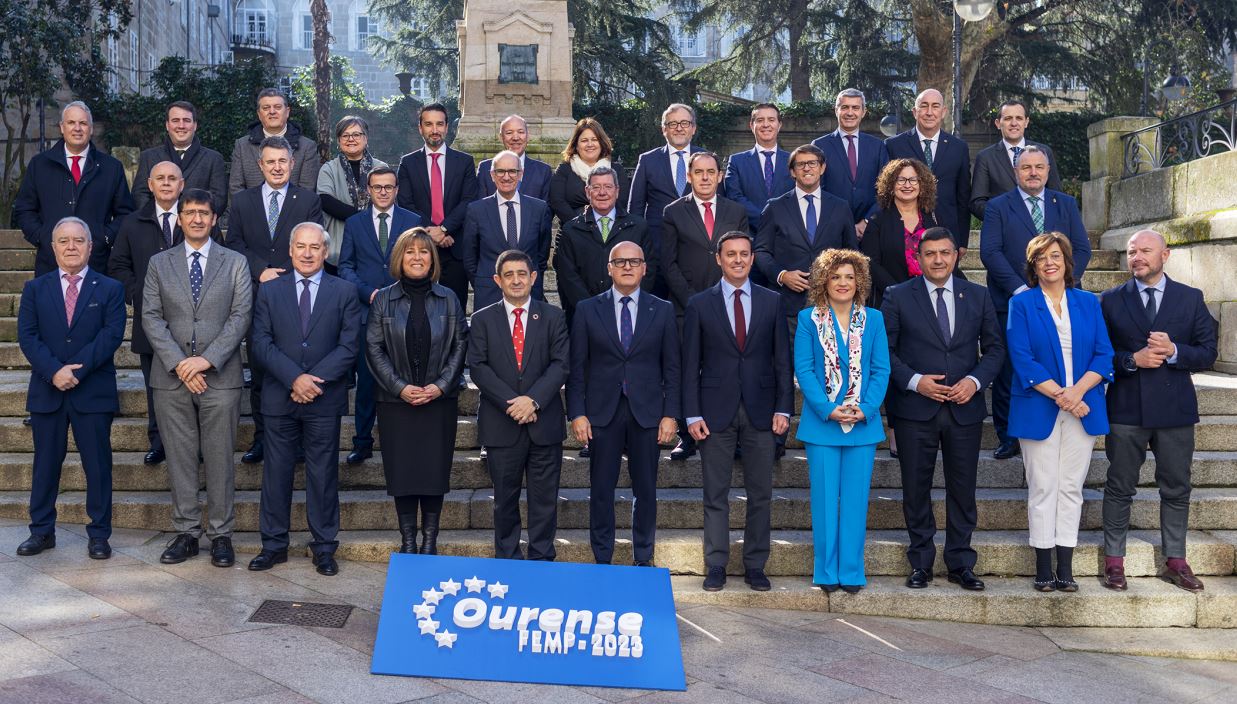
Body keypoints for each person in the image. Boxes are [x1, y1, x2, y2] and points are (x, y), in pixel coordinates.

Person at [880, 227, 1004, 591]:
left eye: (945, 253)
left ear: (956, 256)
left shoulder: (978, 297)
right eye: (930, 253)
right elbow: (885, 351)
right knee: (915, 489)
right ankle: (920, 562)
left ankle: (961, 562)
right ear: (918, 258)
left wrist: (975, 382)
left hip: (964, 409)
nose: (938, 259)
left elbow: (996, 350)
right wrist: (917, 381)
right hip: (914, 409)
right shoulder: (897, 296)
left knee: (962, 490)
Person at [1100, 230, 1217, 592]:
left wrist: (1175, 351)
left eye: (1145, 251)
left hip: (1175, 410)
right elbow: (1099, 355)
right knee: (1120, 486)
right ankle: (1114, 562)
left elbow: (1208, 352)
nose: (1137, 257)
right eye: (1132, 251)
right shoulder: (1109, 300)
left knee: (1177, 487)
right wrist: (1130, 360)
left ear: (1165, 255)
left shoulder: (1191, 298)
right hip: (1125, 409)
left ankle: (1176, 560)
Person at [142, 188, 252, 568]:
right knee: (180, 458)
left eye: (203, 213)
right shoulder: (159, 263)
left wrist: (205, 360)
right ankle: (186, 532)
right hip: (171, 379)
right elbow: (151, 318)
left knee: (221, 457)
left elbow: (240, 316)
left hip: (219, 378)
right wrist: (180, 363)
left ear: (214, 218)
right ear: (180, 217)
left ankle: (221, 535)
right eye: (189, 212)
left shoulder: (235, 262)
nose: (196, 219)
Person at [248, 223, 361, 576]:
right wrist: (294, 378)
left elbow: (349, 346)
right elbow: (260, 342)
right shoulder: (270, 290)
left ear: (326, 252)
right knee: (276, 473)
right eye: (301, 246)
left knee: (323, 474)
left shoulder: (344, 291)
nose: (308, 253)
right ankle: (273, 545)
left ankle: (324, 547)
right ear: (291, 250)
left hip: (324, 399)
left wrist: (314, 380)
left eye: (316, 247)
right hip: (280, 397)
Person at [682, 231, 792, 592]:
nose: (739, 260)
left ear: (752, 258)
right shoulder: (699, 304)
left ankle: (755, 565)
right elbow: (690, 365)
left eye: (745, 254)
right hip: (714, 413)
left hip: (762, 411)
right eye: (731, 254)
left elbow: (781, 361)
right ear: (719, 259)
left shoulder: (772, 301)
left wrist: (784, 408)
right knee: (715, 494)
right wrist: (692, 414)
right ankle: (716, 564)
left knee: (761, 494)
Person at [1005, 232, 1112, 592]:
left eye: (1055, 256)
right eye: (1041, 258)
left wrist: (1077, 392)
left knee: (1071, 487)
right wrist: (1062, 396)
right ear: (1033, 266)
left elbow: (1103, 354)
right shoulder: (1022, 304)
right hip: (1039, 405)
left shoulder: (1088, 302)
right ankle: (1043, 566)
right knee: (1043, 486)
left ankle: (1065, 566)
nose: (1049, 263)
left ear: (1067, 262)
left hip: (1084, 405)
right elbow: (1022, 358)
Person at [15, 218, 125, 559]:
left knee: (98, 465)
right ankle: (42, 531)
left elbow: (111, 334)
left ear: (90, 247)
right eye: (64, 241)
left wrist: (75, 369)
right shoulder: (36, 289)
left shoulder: (109, 288)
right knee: (45, 465)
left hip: (92, 391)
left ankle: (99, 535)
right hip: (48, 391)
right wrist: (54, 371)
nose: (71, 246)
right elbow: (28, 336)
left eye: (79, 240)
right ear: (53, 247)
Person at [568, 241, 679, 566]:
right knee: (601, 490)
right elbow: (577, 368)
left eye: (634, 262)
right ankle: (603, 557)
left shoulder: (662, 309)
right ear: (610, 268)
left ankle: (643, 558)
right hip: (602, 412)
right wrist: (577, 413)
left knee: (645, 491)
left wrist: (671, 413)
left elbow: (672, 367)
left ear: (645, 268)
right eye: (620, 262)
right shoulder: (588, 310)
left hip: (647, 413)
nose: (627, 267)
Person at [980, 146, 1090, 460]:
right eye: (1026, 167)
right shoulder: (999, 206)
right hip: (1012, 300)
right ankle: (1009, 435)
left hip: (1062, 302)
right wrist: (1020, 290)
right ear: (1015, 172)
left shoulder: (1065, 203)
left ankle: (1060, 420)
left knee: (1059, 361)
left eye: (1039, 167)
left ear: (1047, 169)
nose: (1033, 172)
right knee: (1010, 368)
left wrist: (1065, 284)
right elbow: (991, 252)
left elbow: (1081, 249)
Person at [366, 229, 467, 554]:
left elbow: (459, 345)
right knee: (404, 474)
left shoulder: (448, 297)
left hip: (439, 403)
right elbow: (374, 347)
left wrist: (440, 387)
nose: (417, 258)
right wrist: (400, 387)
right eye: (410, 252)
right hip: (396, 403)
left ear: (432, 259)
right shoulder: (384, 298)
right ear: (400, 257)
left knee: (433, 473)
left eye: (424, 252)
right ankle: (408, 540)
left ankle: (429, 541)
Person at [794, 248, 889, 593]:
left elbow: (881, 369)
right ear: (824, 281)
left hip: (862, 424)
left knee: (854, 501)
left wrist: (867, 406)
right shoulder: (808, 319)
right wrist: (826, 408)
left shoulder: (874, 319)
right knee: (823, 500)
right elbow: (804, 370)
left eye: (850, 276)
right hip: (822, 424)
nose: (843, 283)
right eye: (836, 276)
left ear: (860, 281)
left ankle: (851, 571)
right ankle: (825, 571)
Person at [227, 135, 324, 465]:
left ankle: (297, 442)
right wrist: (260, 271)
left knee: (295, 364)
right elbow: (234, 243)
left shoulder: (308, 200)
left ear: (292, 164)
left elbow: (313, 244)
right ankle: (261, 438)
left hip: (295, 295)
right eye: (270, 162)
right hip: (255, 295)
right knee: (260, 369)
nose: (277, 167)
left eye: (283, 161)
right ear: (260, 165)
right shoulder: (242, 202)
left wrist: (281, 272)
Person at [467, 250, 569, 560]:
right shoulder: (482, 318)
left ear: (533, 278)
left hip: (544, 425)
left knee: (544, 500)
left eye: (522, 274)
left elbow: (560, 365)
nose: (516, 280)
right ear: (497, 280)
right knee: (504, 500)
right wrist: (513, 404)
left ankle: (541, 559)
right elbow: (479, 368)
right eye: (508, 274)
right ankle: (508, 560)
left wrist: (533, 400)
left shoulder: (554, 317)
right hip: (502, 424)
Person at [661, 151, 748, 460]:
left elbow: (741, 259)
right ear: (689, 176)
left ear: (720, 175)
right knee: (689, 369)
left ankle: (731, 432)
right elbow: (667, 263)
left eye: (711, 171)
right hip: (687, 306)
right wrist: (693, 301)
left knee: (727, 368)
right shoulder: (673, 212)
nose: (706, 177)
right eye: (699, 172)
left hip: (730, 304)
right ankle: (687, 435)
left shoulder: (735, 211)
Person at [338, 166, 422, 465]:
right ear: (368, 191)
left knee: (405, 378)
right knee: (367, 382)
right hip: (367, 313)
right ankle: (362, 441)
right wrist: (368, 293)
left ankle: (404, 441)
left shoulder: (412, 221)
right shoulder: (355, 223)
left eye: (388, 187)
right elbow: (345, 266)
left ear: (396, 189)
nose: (383, 192)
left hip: (405, 312)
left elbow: (419, 263)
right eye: (377, 187)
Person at [109, 161, 189, 466]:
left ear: (181, 185)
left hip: (192, 320)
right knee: (156, 385)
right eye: (160, 179)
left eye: (172, 178)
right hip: (150, 322)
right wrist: (140, 296)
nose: (167, 183)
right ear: (150, 185)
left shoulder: (195, 217)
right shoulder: (132, 223)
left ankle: (190, 444)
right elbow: (118, 266)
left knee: (191, 385)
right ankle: (159, 442)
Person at [13, 101, 133, 276]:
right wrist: (43, 237)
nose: (77, 128)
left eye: (83, 123)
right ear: (62, 127)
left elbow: (125, 212)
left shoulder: (111, 168)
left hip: (96, 264)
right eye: (71, 123)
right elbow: (24, 209)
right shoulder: (39, 165)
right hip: (51, 263)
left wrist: (104, 237)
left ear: (91, 129)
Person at [755, 144, 858, 333]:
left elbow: (852, 254)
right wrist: (782, 275)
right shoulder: (775, 208)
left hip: (831, 302)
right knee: (792, 361)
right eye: (801, 164)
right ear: (792, 172)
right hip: (788, 305)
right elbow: (761, 252)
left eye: (812, 163)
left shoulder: (840, 207)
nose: (807, 168)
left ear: (822, 168)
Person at [397, 102, 480, 307]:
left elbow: (469, 200)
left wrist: (444, 229)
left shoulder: (465, 162)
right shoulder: (407, 163)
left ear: (447, 127)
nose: (434, 130)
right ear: (420, 128)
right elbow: (406, 203)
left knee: (454, 311)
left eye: (439, 124)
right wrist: (430, 233)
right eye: (429, 124)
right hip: (420, 249)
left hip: (455, 249)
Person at [553, 166, 655, 325]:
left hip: (629, 315)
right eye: (596, 187)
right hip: (585, 318)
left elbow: (649, 270)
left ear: (617, 191)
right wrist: (592, 309)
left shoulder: (638, 227)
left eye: (608, 187)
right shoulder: (570, 230)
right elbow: (568, 277)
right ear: (587, 192)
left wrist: (628, 304)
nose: (602, 192)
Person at [461, 150, 554, 310]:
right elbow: (470, 256)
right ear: (492, 175)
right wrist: (482, 282)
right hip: (489, 294)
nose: (506, 176)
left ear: (521, 174)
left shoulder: (539, 208)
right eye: (500, 171)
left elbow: (541, 254)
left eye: (512, 171)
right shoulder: (476, 210)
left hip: (529, 294)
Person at [628, 103, 704, 292]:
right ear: (664, 129)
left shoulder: (707, 159)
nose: (679, 128)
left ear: (693, 128)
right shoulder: (648, 160)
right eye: (673, 124)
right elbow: (635, 207)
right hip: (656, 249)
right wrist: (641, 246)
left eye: (685, 123)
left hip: (697, 248)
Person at [884, 89, 970, 246]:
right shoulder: (893, 145)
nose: (929, 112)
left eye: (935, 106)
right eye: (924, 106)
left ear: (943, 112)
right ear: (915, 112)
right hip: (904, 231)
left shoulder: (959, 148)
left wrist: (962, 240)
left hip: (948, 232)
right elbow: (887, 191)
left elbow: (963, 197)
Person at [861, 158, 941, 310]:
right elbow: (871, 263)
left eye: (913, 180)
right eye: (901, 180)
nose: (907, 185)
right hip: (892, 299)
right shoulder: (877, 220)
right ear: (891, 184)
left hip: (932, 297)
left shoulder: (934, 218)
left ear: (922, 184)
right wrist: (899, 293)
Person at [969, 100, 1063, 220]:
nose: (1014, 123)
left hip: (1040, 230)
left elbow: (1056, 195)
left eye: (1019, 118)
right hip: (1003, 231)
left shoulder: (1044, 153)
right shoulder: (985, 157)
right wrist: (1004, 218)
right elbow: (977, 202)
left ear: (1026, 122)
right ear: (998, 123)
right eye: (1008, 118)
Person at [814, 88, 890, 239]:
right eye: (845, 107)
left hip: (870, 230)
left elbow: (885, 189)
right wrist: (839, 222)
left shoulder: (877, 146)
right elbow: (816, 189)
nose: (850, 113)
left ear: (863, 112)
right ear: (836, 110)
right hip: (832, 230)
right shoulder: (819, 145)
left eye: (855, 108)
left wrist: (866, 220)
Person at [131, 101, 228, 213]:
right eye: (175, 120)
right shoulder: (148, 157)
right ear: (167, 125)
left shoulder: (214, 159)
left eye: (186, 121)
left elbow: (219, 199)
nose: (181, 126)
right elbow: (139, 195)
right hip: (157, 228)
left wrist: (193, 218)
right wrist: (160, 219)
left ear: (195, 125)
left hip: (198, 226)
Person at [317, 116, 388, 267]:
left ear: (366, 138)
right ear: (338, 140)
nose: (351, 139)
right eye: (345, 135)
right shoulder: (328, 169)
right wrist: (363, 218)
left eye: (356, 134)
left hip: (375, 245)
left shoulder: (381, 167)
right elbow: (326, 201)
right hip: (338, 249)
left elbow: (386, 200)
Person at [229, 87, 320, 194]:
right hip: (250, 209)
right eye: (266, 108)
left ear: (287, 112)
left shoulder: (307, 147)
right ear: (259, 114)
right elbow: (236, 188)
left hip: (294, 209)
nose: (272, 112)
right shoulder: (242, 146)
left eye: (277, 107)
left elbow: (306, 191)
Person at [724, 103, 794, 235]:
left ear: (779, 125)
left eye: (771, 120)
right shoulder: (736, 162)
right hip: (750, 237)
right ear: (751, 125)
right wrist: (766, 220)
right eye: (760, 120)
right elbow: (735, 197)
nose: (766, 125)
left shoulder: (794, 161)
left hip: (787, 235)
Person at [548, 118, 630, 228]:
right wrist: (580, 226)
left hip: (608, 230)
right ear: (576, 145)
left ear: (601, 143)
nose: (590, 144)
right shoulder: (564, 169)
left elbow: (621, 201)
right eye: (584, 140)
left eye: (594, 139)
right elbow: (557, 202)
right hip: (573, 232)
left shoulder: (616, 170)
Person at [477, 115, 553, 200]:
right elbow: (479, 207)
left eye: (520, 132)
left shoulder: (543, 171)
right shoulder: (485, 168)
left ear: (528, 136)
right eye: (509, 133)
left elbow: (547, 210)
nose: (516, 138)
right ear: (501, 137)